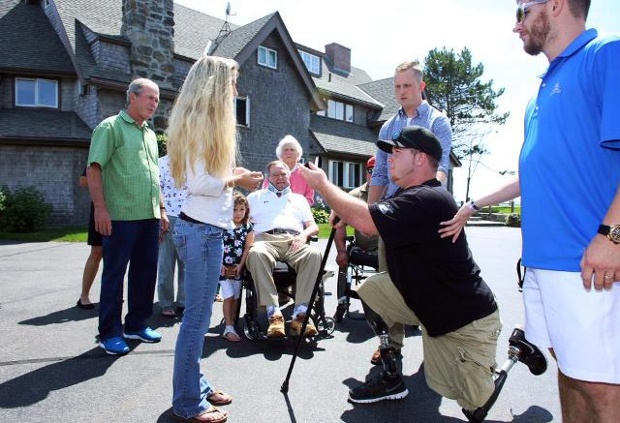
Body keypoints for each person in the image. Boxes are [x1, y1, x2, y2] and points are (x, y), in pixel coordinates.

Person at [439, 2, 620, 422]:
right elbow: (531, 173)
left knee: (602, 383)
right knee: (571, 371)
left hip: (587, 262)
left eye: (523, 10)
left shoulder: (605, 55)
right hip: (544, 265)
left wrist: (612, 235)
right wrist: (471, 205)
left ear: (555, 4)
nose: (516, 24)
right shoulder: (540, 92)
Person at [300, 126, 501, 418]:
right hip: (430, 306)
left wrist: (323, 186)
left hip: (465, 321)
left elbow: (367, 222)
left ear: (420, 158)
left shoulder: (428, 198)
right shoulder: (407, 195)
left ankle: (514, 355)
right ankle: (391, 371)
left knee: (474, 405)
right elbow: (370, 213)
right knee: (371, 289)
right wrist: (343, 207)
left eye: (396, 151)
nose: (388, 158)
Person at [166, 55, 263, 423]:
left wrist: (231, 173)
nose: (237, 89)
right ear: (218, 86)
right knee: (195, 320)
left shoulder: (203, 124)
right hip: (201, 232)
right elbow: (199, 184)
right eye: (234, 82)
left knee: (199, 315)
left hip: (206, 230)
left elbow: (208, 178)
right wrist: (236, 180)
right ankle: (188, 403)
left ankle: (199, 386)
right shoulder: (201, 125)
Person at [365, 59, 453, 365]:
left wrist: (427, 202)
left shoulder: (437, 122)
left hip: (423, 213)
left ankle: (437, 344)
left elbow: (440, 170)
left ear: (421, 86)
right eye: (397, 86)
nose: (401, 92)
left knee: (428, 280)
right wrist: (370, 213)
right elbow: (378, 175)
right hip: (392, 212)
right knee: (388, 279)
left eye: (407, 86)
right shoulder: (389, 126)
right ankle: (392, 345)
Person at [87, 78, 168, 356]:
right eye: (149, 98)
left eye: (156, 100)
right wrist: (100, 208)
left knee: (145, 272)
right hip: (119, 217)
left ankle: (135, 324)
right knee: (114, 274)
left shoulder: (149, 134)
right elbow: (94, 169)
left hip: (149, 216)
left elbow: (154, 176)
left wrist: (162, 209)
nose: (154, 104)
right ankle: (109, 332)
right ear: (131, 97)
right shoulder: (110, 127)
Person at [246, 160, 322, 338]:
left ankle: (300, 315)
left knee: (314, 254)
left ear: (289, 176)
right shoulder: (254, 198)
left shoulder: (299, 199)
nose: (280, 177)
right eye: (275, 174)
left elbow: (313, 226)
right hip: (265, 240)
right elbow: (242, 224)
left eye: (283, 174)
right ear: (268, 177)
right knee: (255, 253)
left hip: (293, 240)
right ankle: (274, 314)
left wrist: (304, 235)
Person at [334, 156, 379, 271]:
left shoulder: (393, 193)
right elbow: (339, 224)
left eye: (378, 171)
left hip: (389, 250)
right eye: (370, 171)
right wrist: (341, 251)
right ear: (366, 173)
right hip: (364, 249)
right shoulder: (354, 196)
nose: (374, 174)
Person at [220, 192, 254, 343]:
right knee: (228, 296)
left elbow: (247, 247)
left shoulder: (247, 227)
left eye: (241, 209)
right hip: (223, 268)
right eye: (234, 210)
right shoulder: (222, 224)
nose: (238, 213)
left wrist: (241, 265)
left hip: (238, 268)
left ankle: (232, 322)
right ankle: (228, 327)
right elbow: (217, 244)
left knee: (236, 297)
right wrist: (220, 264)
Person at [158, 154, 188, 318]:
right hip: (167, 219)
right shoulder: (161, 163)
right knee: (166, 265)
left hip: (189, 219)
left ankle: (184, 301)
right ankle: (166, 302)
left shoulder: (194, 163)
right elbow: (156, 190)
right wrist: (160, 216)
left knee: (187, 265)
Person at [262, 135, 314, 206]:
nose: (289, 152)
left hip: (299, 212)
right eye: (285, 150)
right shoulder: (272, 170)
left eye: (292, 150)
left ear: (298, 154)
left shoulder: (306, 172)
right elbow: (265, 194)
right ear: (280, 154)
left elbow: (309, 199)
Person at [76, 169, 102, 310]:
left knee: (117, 256)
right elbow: (83, 181)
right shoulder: (98, 153)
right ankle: (84, 295)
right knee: (97, 252)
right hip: (100, 210)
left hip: (121, 210)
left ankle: (113, 295)